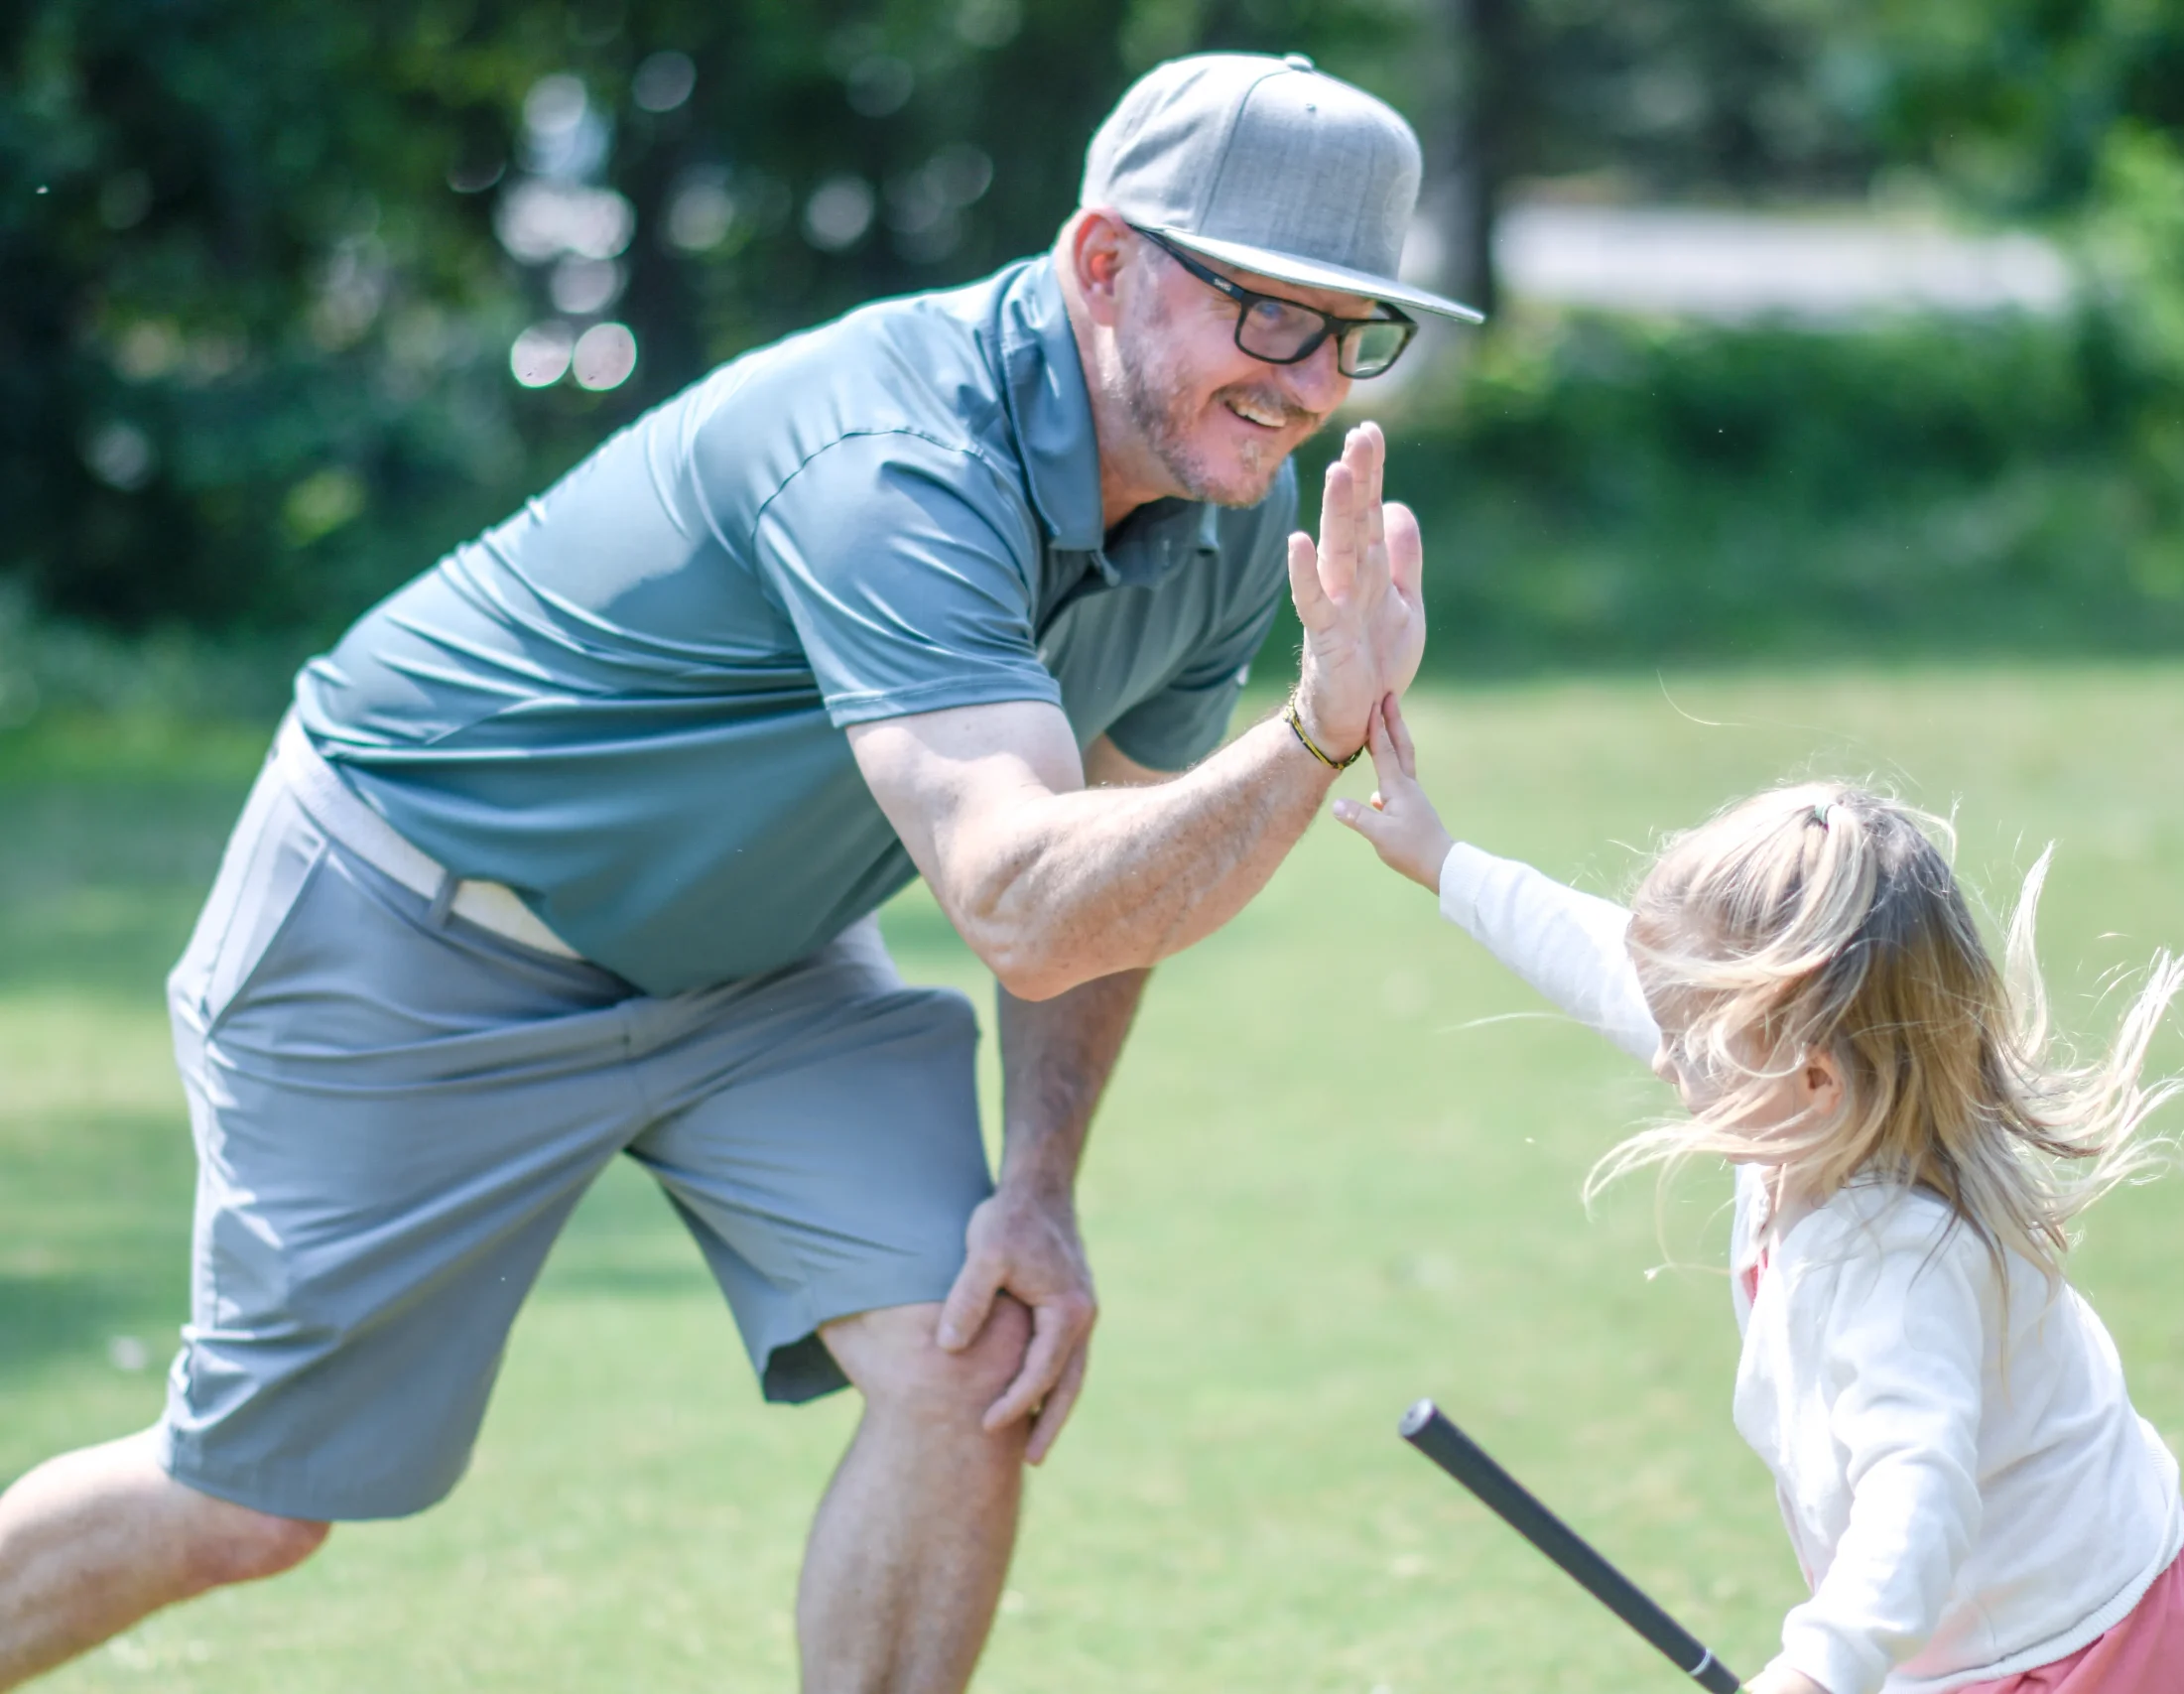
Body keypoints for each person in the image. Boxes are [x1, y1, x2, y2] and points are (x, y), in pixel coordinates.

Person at [0, 54, 1481, 1693]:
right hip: (417, 917)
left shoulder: (1222, 503)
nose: (1309, 378)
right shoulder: (894, 457)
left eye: (1352, 331)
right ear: (1105, 263)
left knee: (972, 1345)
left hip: (756, 954)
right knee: (244, 1507)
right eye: (1270, 313)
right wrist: (1313, 734)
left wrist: (1037, 1188)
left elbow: (1107, 872)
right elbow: (1015, 893)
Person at [1333, 699, 2184, 1694]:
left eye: (1690, 1043)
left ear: (1813, 1078)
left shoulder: (1902, 1262)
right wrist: (1445, 862)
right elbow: (1611, 968)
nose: (1662, 1061)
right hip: (1987, 1639)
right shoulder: (1797, 1115)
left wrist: (1817, 1672)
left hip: (2090, 1653)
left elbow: (1916, 1495)